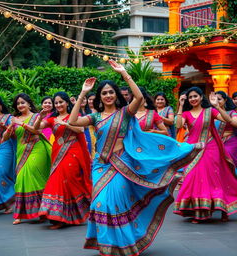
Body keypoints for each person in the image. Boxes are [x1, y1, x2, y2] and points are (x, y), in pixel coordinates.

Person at [68, 60, 202, 256]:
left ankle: (123, 243)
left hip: (122, 164)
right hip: (101, 165)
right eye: (104, 93)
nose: (107, 95)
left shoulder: (125, 113)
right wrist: (82, 94)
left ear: (116, 95)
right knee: (99, 203)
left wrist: (124, 73)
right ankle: (106, 243)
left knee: (114, 204)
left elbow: (138, 97)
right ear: (99, 96)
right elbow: (72, 121)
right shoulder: (95, 117)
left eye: (110, 92)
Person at [174, 87, 237, 223]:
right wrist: (180, 106)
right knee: (192, 177)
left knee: (212, 178)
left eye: (195, 96)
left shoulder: (210, 111)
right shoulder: (186, 114)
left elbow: (228, 120)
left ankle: (221, 209)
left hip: (211, 148)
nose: (193, 99)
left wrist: (217, 106)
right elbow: (178, 125)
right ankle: (198, 210)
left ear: (202, 97)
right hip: (193, 149)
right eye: (190, 97)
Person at [34, 92, 92, 230]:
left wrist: (65, 124)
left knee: (68, 181)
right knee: (57, 181)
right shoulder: (52, 119)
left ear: (67, 103)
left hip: (73, 152)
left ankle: (64, 216)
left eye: (61, 102)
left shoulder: (74, 116)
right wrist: (39, 118)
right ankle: (61, 216)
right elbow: (37, 129)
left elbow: (80, 129)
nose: (58, 105)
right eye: (56, 103)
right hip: (58, 153)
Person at [3, 93, 51, 225]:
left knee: (33, 176)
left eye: (22, 102)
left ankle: (42, 211)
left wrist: (21, 124)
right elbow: (5, 138)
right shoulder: (15, 119)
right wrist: (8, 129)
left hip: (37, 148)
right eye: (18, 104)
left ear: (29, 104)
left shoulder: (36, 116)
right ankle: (19, 213)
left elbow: (37, 132)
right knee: (20, 179)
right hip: (21, 151)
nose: (20, 105)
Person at [215, 91, 237, 169]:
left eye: (219, 99)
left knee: (227, 152)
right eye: (215, 99)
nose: (216, 101)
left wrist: (218, 108)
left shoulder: (231, 113)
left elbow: (235, 123)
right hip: (216, 142)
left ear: (225, 100)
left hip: (230, 141)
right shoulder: (211, 113)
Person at [87, 93, 97, 158]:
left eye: (93, 100)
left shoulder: (100, 110)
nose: (91, 101)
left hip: (96, 134)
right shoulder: (85, 111)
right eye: (89, 99)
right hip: (87, 134)